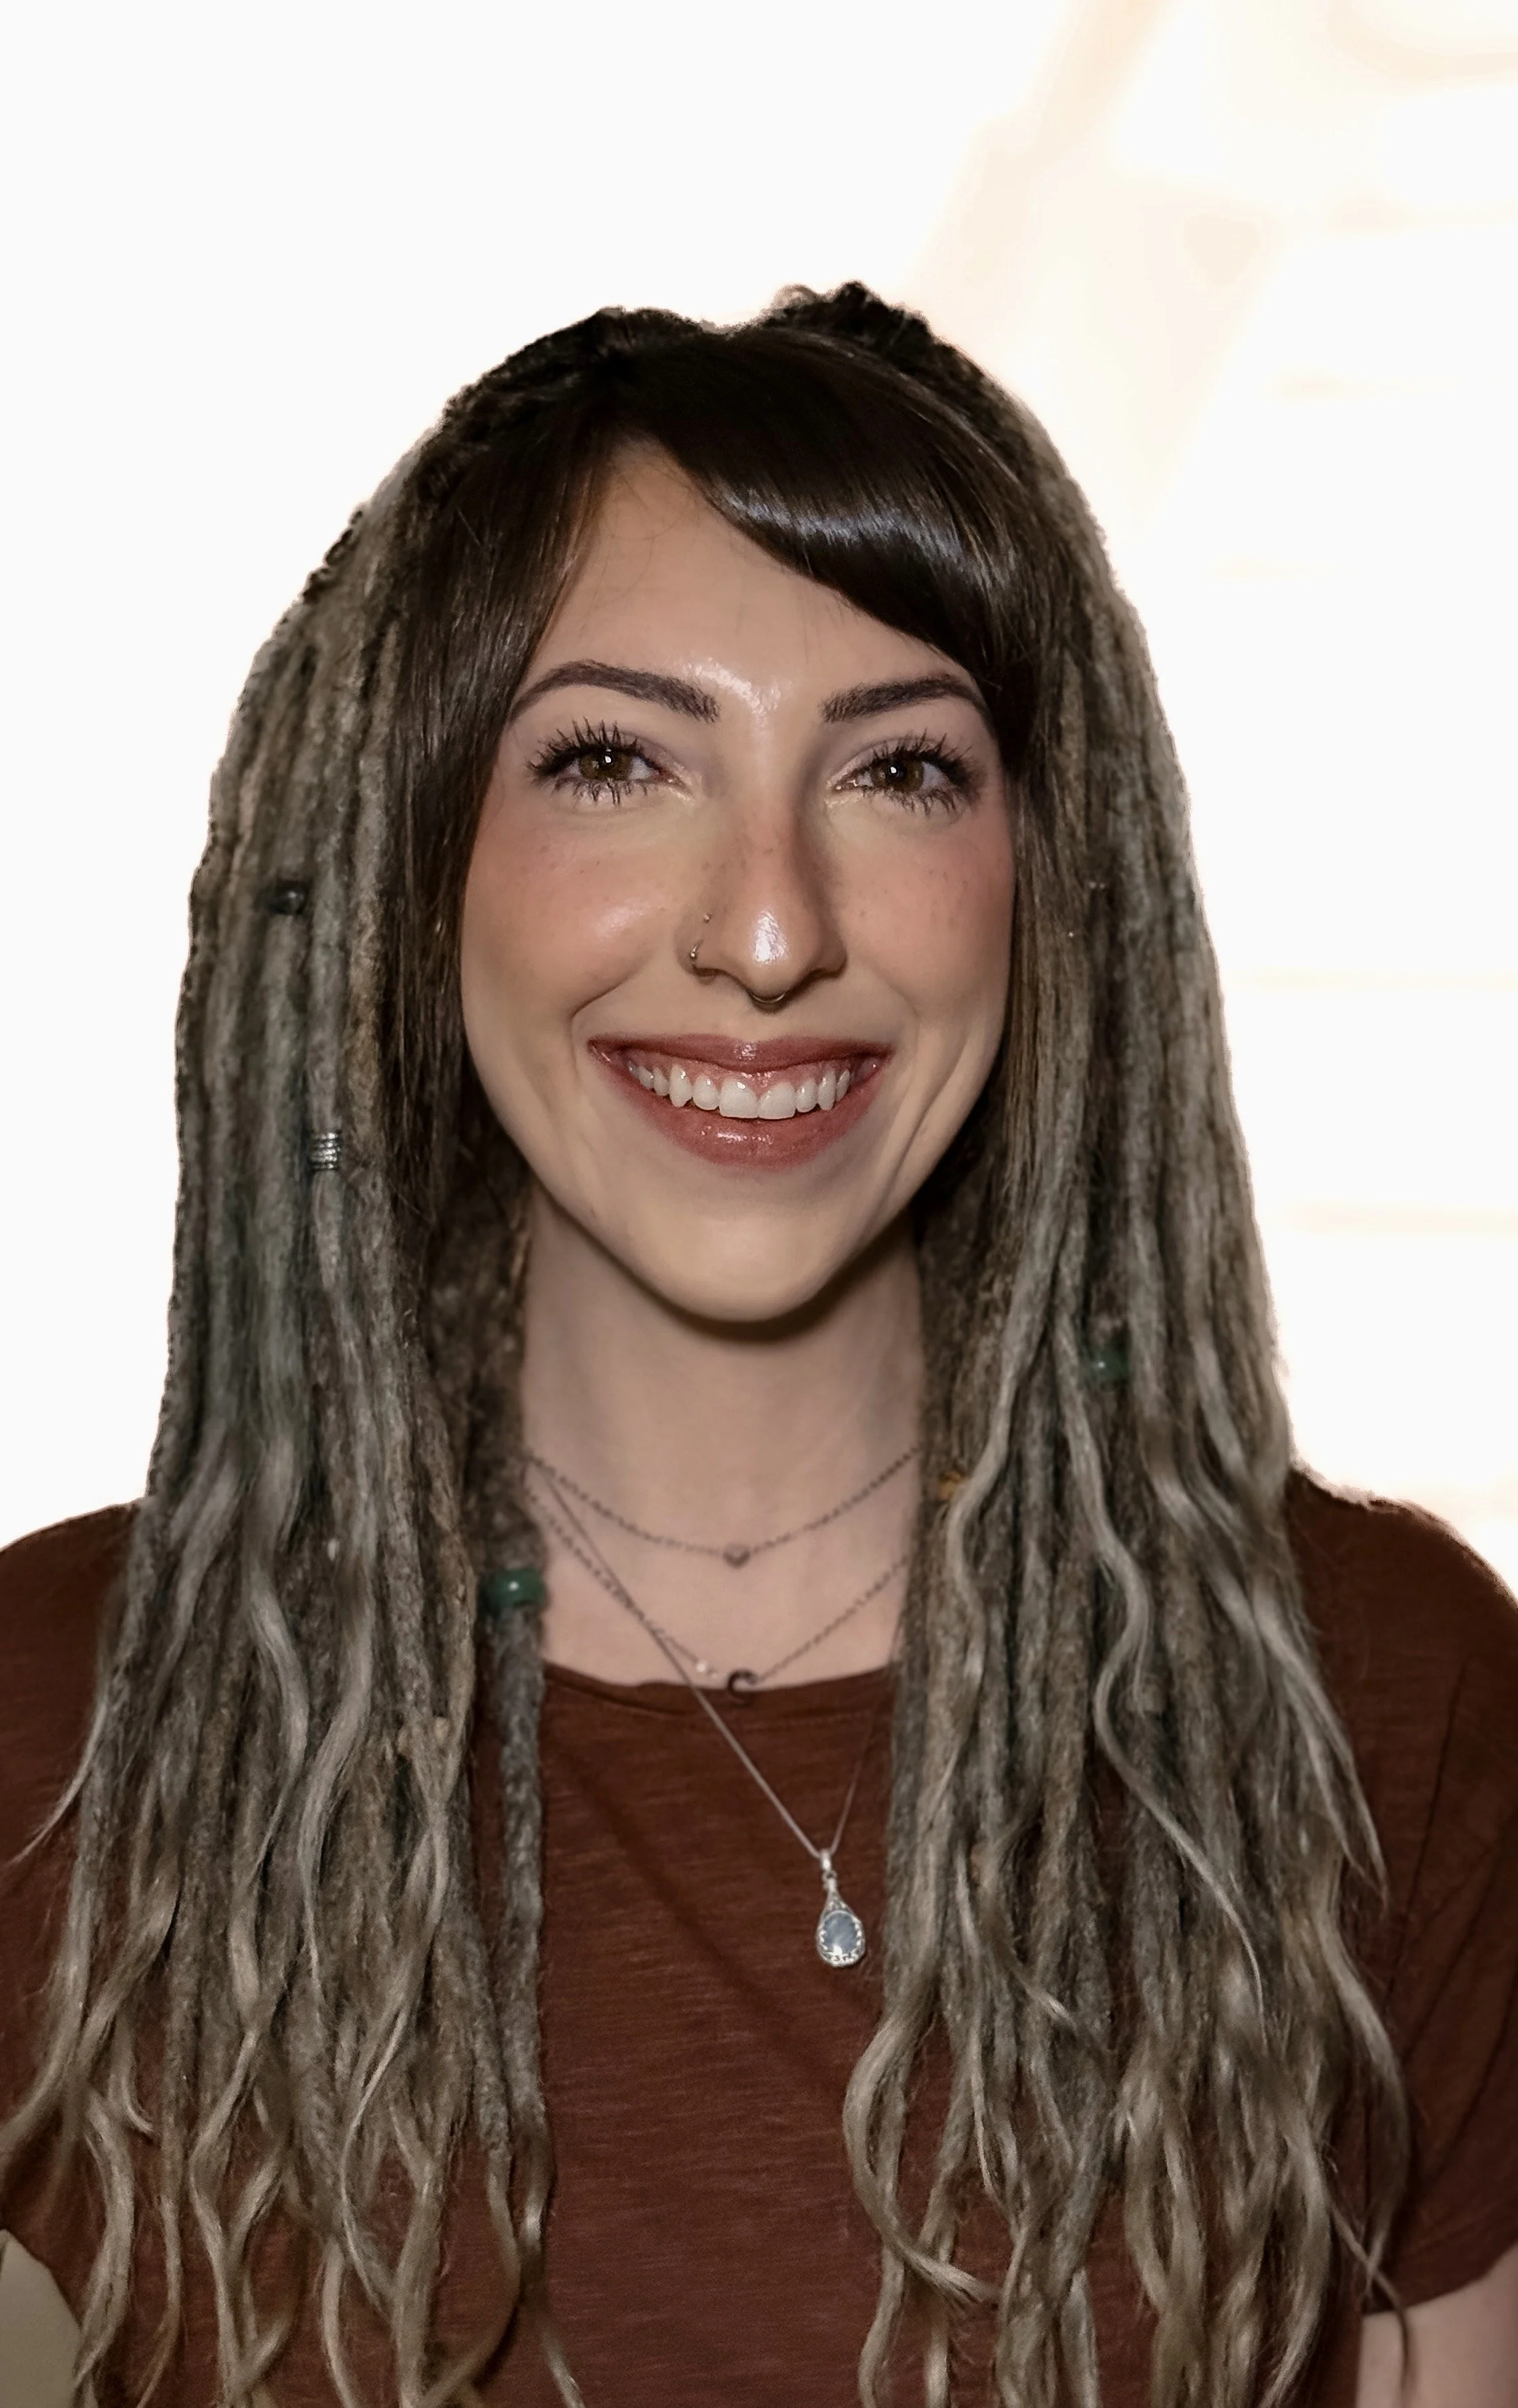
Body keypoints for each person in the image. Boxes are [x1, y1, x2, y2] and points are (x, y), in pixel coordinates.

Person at [0, 284, 1514, 2408]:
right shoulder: (53, 1732)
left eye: (900, 771)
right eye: (613, 762)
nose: (773, 928)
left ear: (1047, 879)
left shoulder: (1374, 1694)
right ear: (408, 860)